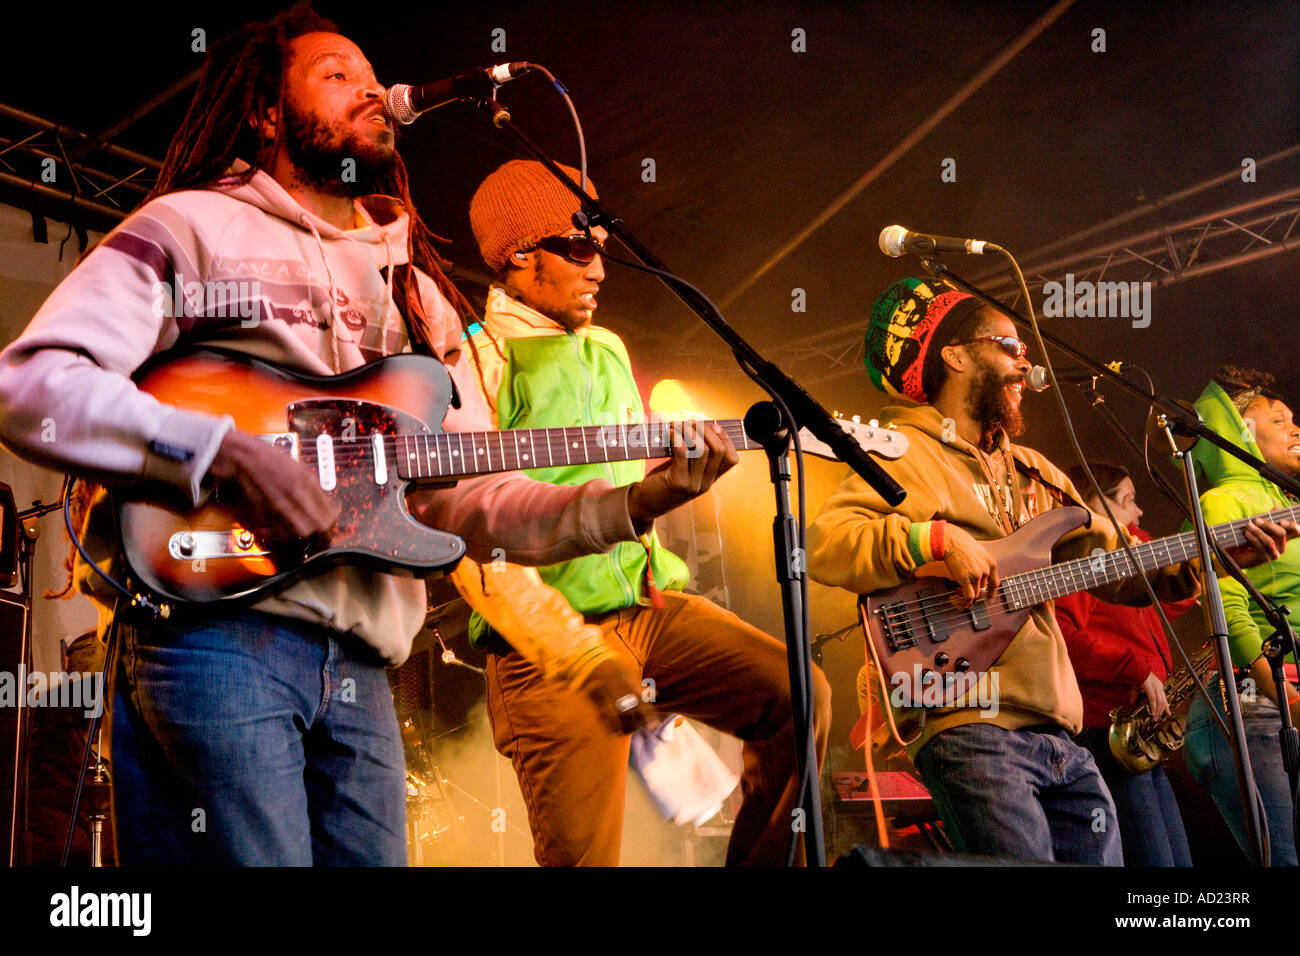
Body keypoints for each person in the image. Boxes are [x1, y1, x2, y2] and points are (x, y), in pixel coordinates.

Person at [0, 13, 736, 866]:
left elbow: (471, 498)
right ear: (268, 114)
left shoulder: (417, 292)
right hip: (213, 636)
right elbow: (33, 385)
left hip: (363, 667)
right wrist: (221, 451)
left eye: (373, 76)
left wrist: (635, 502)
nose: (372, 92)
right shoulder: (189, 228)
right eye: (337, 75)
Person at [805, 277, 1292, 864]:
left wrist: (1217, 558)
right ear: (955, 356)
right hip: (969, 719)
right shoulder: (908, 452)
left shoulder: (1038, 473)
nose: (1025, 359)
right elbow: (829, 542)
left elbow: (1125, 574)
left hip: (1058, 734)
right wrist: (933, 539)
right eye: (1008, 345)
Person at [457, 159, 831, 866]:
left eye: (599, 241)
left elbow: (615, 480)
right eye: (578, 246)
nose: (599, 266)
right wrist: (573, 652)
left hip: (648, 610)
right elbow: (470, 543)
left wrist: (677, 476)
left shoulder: (608, 347)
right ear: (518, 257)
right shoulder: (476, 360)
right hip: (544, 647)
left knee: (800, 697)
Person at [1182, 366, 1300, 866]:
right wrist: (1289, 700)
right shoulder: (1225, 499)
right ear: (1239, 431)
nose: (1296, 428)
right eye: (1278, 419)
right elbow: (1224, 604)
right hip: (1250, 702)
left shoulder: (1288, 501)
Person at [1054, 462, 1197, 866]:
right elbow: (1062, 637)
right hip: (1105, 733)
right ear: (1094, 504)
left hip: (1140, 732)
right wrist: (1135, 667)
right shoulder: (1077, 556)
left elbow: (1161, 606)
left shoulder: (1124, 554)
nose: (1139, 514)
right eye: (1128, 501)